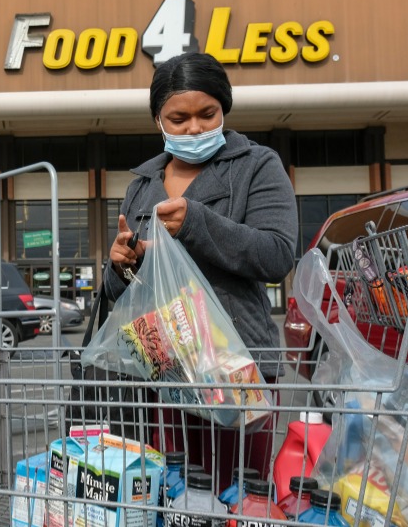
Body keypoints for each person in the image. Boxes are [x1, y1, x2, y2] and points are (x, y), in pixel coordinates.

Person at [104, 51, 298, 491]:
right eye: (179, 118)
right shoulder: (142, 184)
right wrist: (120, 264)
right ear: (158, 121)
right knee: (174, 487)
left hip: (237, 363)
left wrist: (196, 223)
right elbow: (120, 290)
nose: (194, 128)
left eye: (207, 114)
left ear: (224, 109)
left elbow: (277, 253)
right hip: (166, 365)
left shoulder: (257, 166)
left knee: (239, 491)